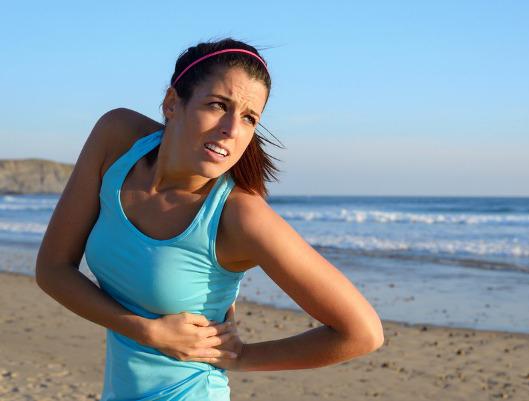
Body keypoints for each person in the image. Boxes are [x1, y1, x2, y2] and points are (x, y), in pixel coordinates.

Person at [36, 38, 384, 400]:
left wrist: (241, 356)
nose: (232, 129)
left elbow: (361, 332)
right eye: (219, 105)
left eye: (250, 118)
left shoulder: (239, 216)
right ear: (172, 103)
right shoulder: (117, 138)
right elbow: (53, 268)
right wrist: (146, 331)